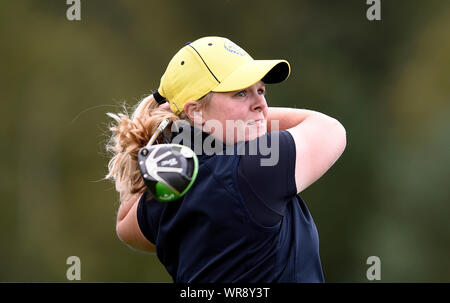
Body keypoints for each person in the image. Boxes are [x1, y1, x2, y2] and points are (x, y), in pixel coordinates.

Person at [105, 36, 346, 282]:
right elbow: (331, 129)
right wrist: (250, 120)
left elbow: (125, 224)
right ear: (195, 111)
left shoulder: (170, 184)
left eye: (260, 90)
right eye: (241, 93)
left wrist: (176, 124)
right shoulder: (256, 166)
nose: (261, 104)